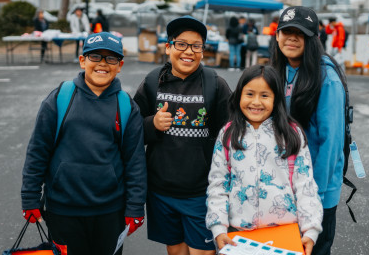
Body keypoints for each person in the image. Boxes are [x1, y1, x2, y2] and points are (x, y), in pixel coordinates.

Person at [21, 32, 147, 255]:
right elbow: (38, 151)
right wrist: (30, 197)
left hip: (111, 211)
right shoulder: (60, 98)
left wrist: (135, 206)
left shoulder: (126, 105)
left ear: (120, 66)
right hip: (63, 210)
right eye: (95, 57)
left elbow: (135, 161)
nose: (102, 64)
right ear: (82, 61)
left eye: (111, 59)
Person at [133, 15, 232, 255]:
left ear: (202, 51)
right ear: (168, 47)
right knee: (176, 250)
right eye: (181, 44)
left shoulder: (215, 84)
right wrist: (152, 124)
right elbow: (131, 132)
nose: (189, 51)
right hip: (161, 191)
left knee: (203, 252)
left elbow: (230, 135)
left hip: (201, 191)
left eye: (196, 46)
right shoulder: (152, 82)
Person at [206, 65, 323, 255]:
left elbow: (305, 186)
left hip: (284, 235)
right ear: (239, 96)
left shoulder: (291, 134)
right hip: (239, 236)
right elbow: (218, 184)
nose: (256, 102)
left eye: (265, 95)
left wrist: (310, 230)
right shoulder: (228, 134)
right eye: (249, 94)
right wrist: (218, 227)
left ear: (276, 98)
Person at [271, 6, 346, 255]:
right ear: (277, 36)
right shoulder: (275, 72)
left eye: (300, 33)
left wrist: (315, 197)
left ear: (314, 40)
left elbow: (331, 143)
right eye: (286, 31)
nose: (291, 38)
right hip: (283, 187)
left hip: (316, 189)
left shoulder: (327, 77)